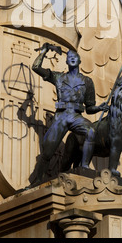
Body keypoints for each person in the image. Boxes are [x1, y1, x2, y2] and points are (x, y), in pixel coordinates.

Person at [31, 43, 108, 183]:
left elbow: (89, 108)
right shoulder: (58, 77)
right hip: (61, 116)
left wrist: (99, 108)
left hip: (76, 116)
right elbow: (36, 67)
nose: (72, 58)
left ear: (79, 61)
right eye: (69, 57)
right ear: (66, 61)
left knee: (91, 131)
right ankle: (37, 181)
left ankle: (84, 166)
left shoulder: (87, 81)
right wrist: (43, 51)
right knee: (47, 152)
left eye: (75, 57)